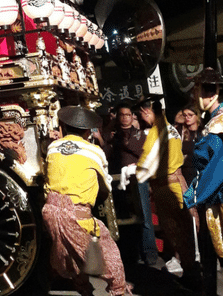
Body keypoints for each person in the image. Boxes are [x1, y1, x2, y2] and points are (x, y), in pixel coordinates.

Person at [42, 105, 129, 296]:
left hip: (50, 213)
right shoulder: (94, 151)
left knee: (73, 258)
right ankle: (119, 292)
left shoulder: (53, 147)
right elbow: (105, 186)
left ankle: (85, 291)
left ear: (64, 127)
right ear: (87, 131)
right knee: (109, 255)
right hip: (77, 215)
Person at [135, 94, 199, 285]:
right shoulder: (172, 129)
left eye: (141, 115)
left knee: (176, 232)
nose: (141, 119)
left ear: (146, 111)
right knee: (185, 230)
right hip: (178, 183)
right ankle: (192, 274)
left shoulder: (156, 132)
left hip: (166, 187)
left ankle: (192, 276)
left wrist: (133, 173)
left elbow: (144, 167)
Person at [101, 100, 158, 266]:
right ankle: (129, 254)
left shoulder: (139, 133)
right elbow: (105, 153)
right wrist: (109, 134)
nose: (125, 118)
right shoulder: (111, 135)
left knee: (145, 217)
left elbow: (138, 150)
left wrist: (120, 141)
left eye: (128, 114)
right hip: (117, 182)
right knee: (122, 218)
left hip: (137, 180)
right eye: (121, 115)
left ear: (132, 116)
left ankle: (149, 252)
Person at [184, 67, 223, 257]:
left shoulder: (218, 125)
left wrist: (193, 194)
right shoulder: (215, 120)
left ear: (210, 93)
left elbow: (216, 168)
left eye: (196, 89)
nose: (194, 95)